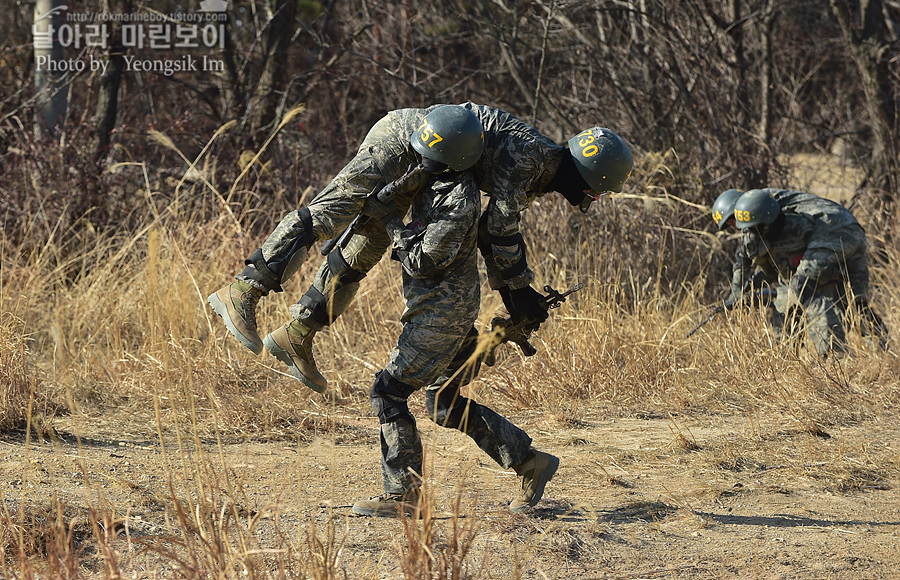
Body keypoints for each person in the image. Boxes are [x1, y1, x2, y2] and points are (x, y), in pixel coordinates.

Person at [208, 102, 634, 391]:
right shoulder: (531, 163)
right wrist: (518, 293)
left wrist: (516, 292)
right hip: (406, 140)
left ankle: (298, 335)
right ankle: (246, 288)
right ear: (591, 180)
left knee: (364, 249)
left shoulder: (542, 164)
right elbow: (498, 231)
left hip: (436, 170)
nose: (596, 200)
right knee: (331, 210)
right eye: (600, 193)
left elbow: (492, 231)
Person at [348, 158, 558, 517]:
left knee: (388, 392)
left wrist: (388, 219)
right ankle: (529, 462)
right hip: (448, 313)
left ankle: (403, 494)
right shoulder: (440, 185)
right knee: (443, 404)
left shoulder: (457, 198)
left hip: (439, 318)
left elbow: (422, 261)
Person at [724, 188, 889, 355]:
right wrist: (740, 292)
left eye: (734, 223)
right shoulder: (769, 207)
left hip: (836, 232)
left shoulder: (787, 220)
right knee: (855, 299)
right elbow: (753, 263)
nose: (738, 229)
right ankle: (884, 349)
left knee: (803, 287)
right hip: (851, 230)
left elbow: (791, 275)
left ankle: (832, 354)